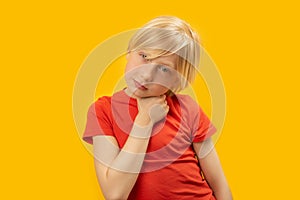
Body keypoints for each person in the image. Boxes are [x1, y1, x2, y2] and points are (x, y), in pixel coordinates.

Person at [83, 16, 232, 200]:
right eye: (144, 56)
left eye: (164, 69)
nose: (146, 75)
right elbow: (115, 194)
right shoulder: (103, 110)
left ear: (177, 80)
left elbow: (220, 185)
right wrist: (144, 121)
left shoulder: (187, 109)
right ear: (130, 50)